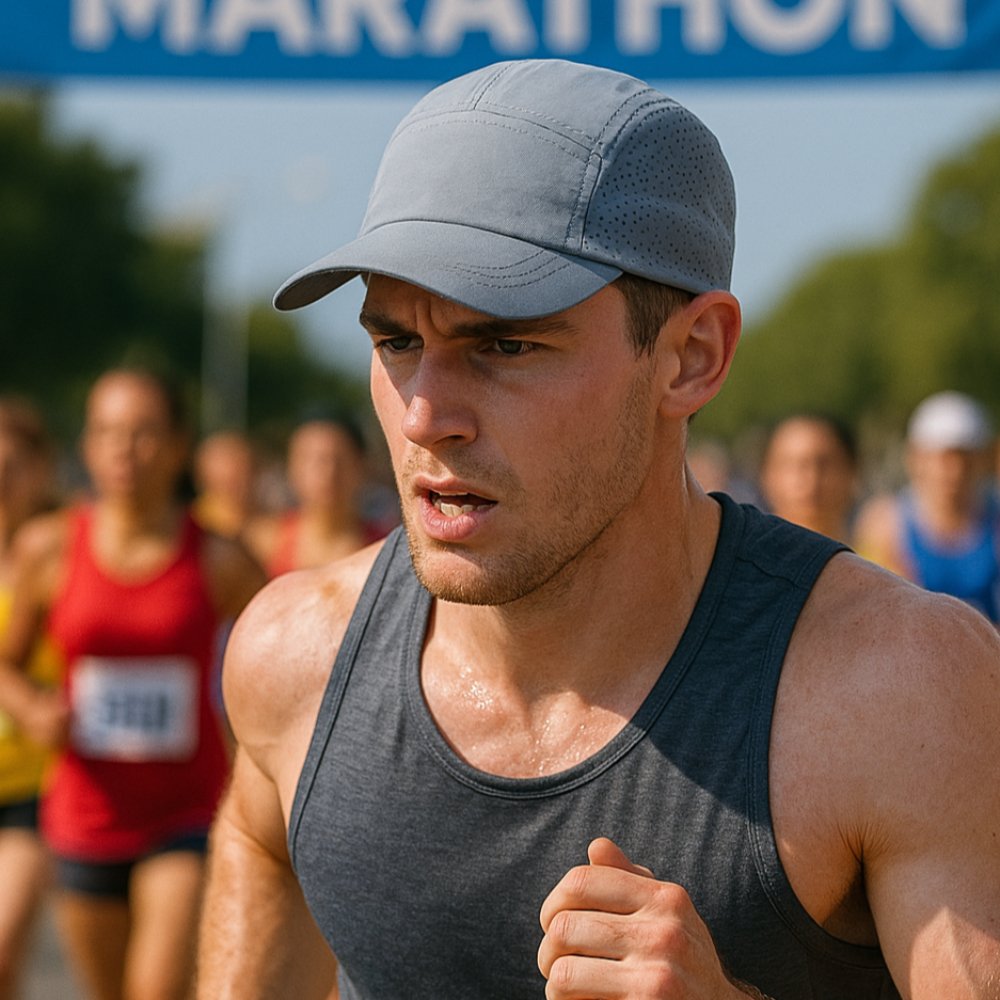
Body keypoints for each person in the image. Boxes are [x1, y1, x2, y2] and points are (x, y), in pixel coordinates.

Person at [196, 60, 1000, 1000]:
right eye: (398, 342)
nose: (424, 418)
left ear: (690, 358)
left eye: (505, 345)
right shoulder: (294, 661)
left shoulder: (898, 694)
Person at [0, 368, 266, 1000]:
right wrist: (32, 707)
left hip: (187, 811)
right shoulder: (51, 548)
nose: (124, 449)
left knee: (156, 990)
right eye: (108, 432)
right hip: (86, 813)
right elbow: (5, 665)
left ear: (178, 445)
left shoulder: (217, 556)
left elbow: (285, 652)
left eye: (145, 433)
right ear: (88, 446)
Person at [0, 399, 61, 1000]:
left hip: (33, 788)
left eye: (12, 464)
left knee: (3, 943)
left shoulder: (62, 552)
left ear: (41, 468)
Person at [855, 390, 999, 622]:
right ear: (916, 458)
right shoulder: (885, 523)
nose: (954, 471)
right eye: (943, 458)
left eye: (965, 459)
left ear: (982, 459)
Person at [244, 416, 382, 577]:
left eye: (339, 460)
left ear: (361, 466)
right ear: (292, 467)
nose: (328, 473)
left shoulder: (384, 548)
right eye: (314, 460)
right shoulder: (260, 544)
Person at [758, 413, 859, 544]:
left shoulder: (877, 559)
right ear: (767, 474)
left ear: (851, 470)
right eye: (793, 464)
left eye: (824, 464)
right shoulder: (739, 560)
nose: (811, 480)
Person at [191, 430, 260, 540]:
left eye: (240, 480)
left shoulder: (271, 523)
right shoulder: (193, 527)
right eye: (224, 484)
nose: (233, 493)